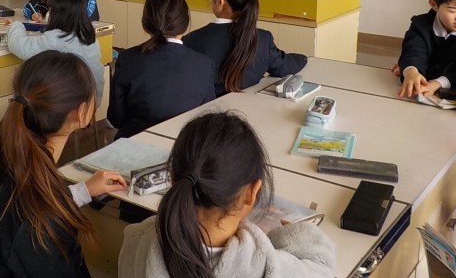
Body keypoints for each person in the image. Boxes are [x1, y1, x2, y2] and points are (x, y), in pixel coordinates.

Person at [0, 51, 127, 277]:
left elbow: (38, 202)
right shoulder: (41, 230)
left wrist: (83, 191)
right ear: (82, 112)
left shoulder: (6, 166)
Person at [118, 111, 336, 278]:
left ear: (173, 178)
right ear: (251, 193)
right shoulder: (267, 266)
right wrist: (292, 236)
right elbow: (322, 267)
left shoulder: (138, 242)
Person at [107, 0, 215, 139]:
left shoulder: (127, 59)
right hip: (181, 147)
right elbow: (207, 118)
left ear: (145, 23)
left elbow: (116, 119)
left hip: (132, 144)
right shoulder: (205, 65)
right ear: (185, 24)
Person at [184, 0, 307, 97]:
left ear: (219, 1)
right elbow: (286, 66)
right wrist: (304, 58)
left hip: (206, 109)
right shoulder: (263, 40)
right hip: (249, 107)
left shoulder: (192, 41)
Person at [8, 0, 105, 108]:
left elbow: (20, 46)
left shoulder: (55, 38)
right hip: (92, 102)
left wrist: (16, 25)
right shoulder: (89, 37)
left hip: (66, 107)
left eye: (50, 10)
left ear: (58, 14)